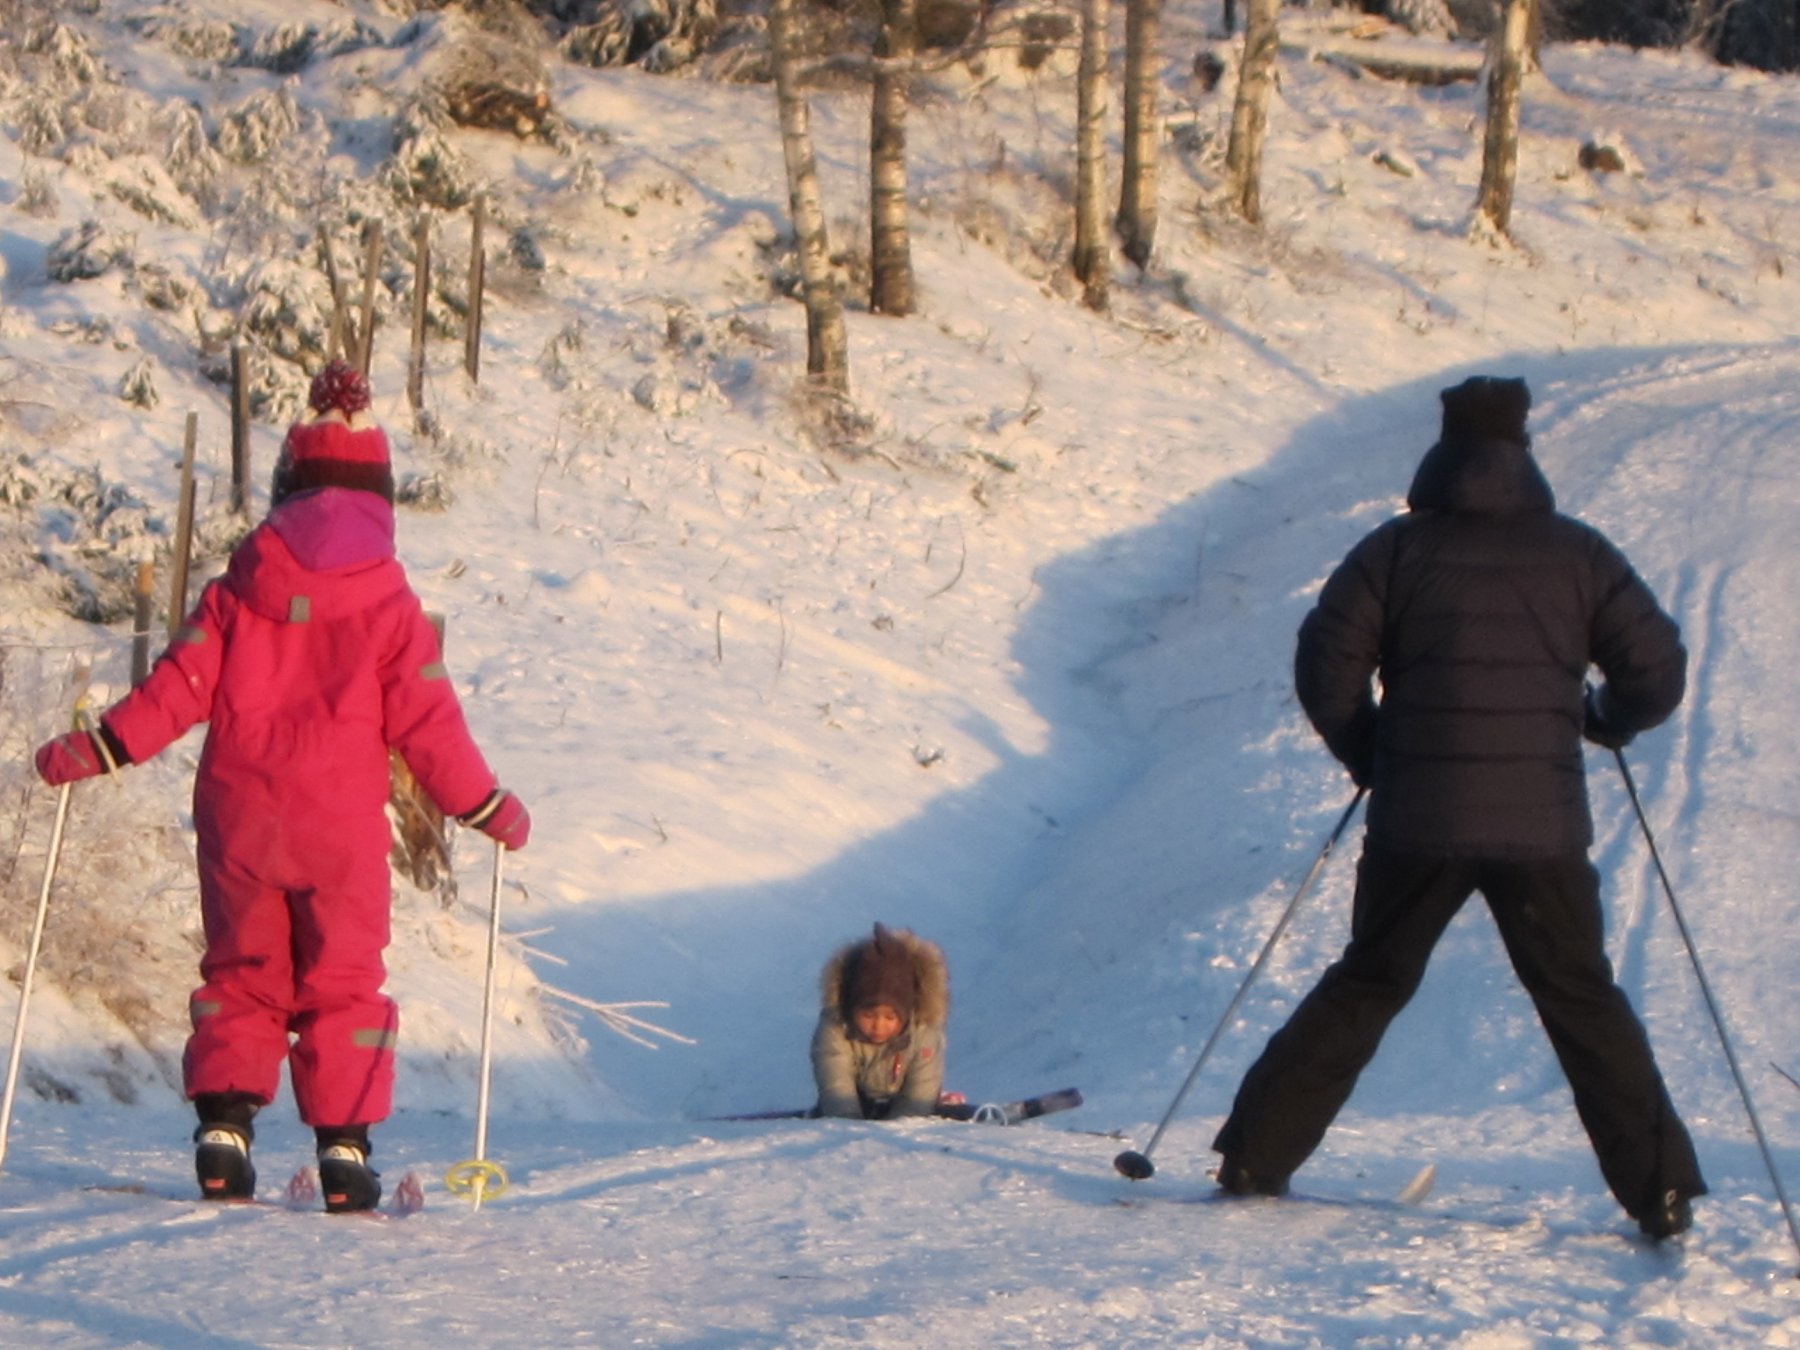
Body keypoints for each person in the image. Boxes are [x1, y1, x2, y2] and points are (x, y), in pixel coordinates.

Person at [1210, 375, 1705, 1241]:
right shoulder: (1579, 554)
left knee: (1369, 980)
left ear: (1443, 448)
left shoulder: (1395, 551)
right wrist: (1604, 722)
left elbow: (1325, 662)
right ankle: (1659, 1192)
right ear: (1523, 449)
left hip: (1418, 822)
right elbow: (1656, 671)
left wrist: (1376, 754)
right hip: (1540, 830)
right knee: (1581, 997)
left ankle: (1255, 1155)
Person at [33, 361, 530, 1213]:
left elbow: (176, 689)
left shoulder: (239, 590)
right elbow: (428, 724)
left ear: (287, 486)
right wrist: (485, 806)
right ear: (379, 497)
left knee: (242, 973)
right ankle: (344, 1153)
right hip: (338, 829)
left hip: (242, 820)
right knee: (342, 982)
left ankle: (223, 1136)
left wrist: (102, 748)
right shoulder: (390, 605)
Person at [812, 923, 948, 1119]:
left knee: (936, 1109)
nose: (878, 1026)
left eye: (890, 1017)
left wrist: (902, 1127)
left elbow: (922, 1088)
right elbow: (835, 1080)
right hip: (856, 1102)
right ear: (852, 1009)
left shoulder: (922, 1029)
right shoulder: (836, 1027)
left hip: (905, 1101)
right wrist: (846, 1121)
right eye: (868, 1016)